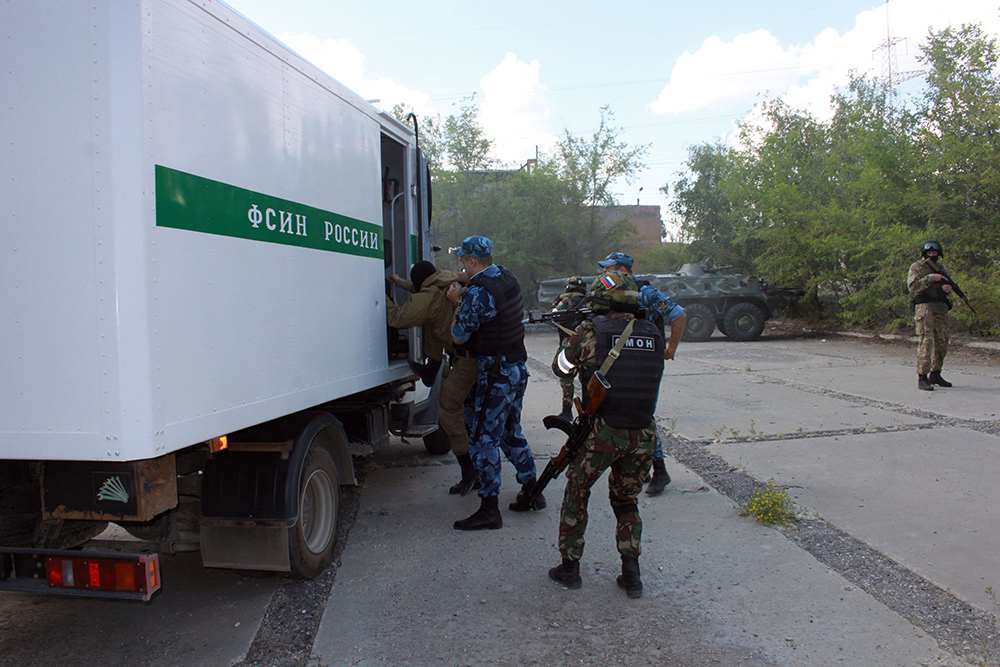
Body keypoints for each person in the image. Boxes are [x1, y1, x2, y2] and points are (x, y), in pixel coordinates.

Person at [547, 271, 666, 599]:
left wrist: (575, 340)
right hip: (642, 433)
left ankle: (569, 568)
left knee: (577, 493)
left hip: (601, 431)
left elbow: (561, 368)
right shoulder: (653, 333)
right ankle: (632, 575)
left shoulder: (589, 331)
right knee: (626, 500)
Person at [446, 236, 544, 530]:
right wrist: (467, 282)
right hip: (516, 368)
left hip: (496, 374)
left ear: (472, 261)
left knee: (482, 439)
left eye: (463, 261)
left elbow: (459, 335)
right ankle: (531, 490)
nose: (461, 265)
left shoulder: (476, 295)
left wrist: (456, 302)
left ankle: (490, 509)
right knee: (511, 432)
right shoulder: (505, 276)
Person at [596, 252, 686, 495]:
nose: (605, 273)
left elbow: (678, 314)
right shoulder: (612, 292)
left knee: (643, 413)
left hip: (644, 361)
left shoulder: (644, 292)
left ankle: (660, 470)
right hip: (621, 360)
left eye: (610, 269)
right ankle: (642, 466)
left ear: (623, 270)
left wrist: (670, 350)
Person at [387, 261, 480, 494]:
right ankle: (430, 371)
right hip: (473, 353)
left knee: (448, 410)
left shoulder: (428, 296)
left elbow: (398, 318)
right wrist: (399, 283)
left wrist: (381, 300)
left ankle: (470, 470)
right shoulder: (446, 278)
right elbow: (421, 288)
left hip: (467, 358)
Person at [908, 240, 954, 391]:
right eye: (930, 253)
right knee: (926, 341)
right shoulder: (917, 267)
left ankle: (936, 373)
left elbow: (945, 288)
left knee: (942, 341)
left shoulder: (942, 268)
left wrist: (947, 290)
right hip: (924, 307)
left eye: (935, 253)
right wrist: (930, 278)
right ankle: (922, 376)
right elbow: (913, 287)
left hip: (939, 307)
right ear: (924, 254)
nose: (932, 256)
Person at [550, 277, 588, 421]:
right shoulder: (590, 301)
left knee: (566, 376)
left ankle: (567, 411)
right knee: (588, 377)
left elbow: (553, 315)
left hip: (570, 341)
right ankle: (589, 410)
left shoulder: (566, 301)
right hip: (589, 343)